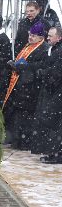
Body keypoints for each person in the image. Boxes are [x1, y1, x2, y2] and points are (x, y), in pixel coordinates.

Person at [3, 22, 49, 150]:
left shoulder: (43, 48)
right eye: (29, 34)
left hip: (31, 88)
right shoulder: (28, 45)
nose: (30, 37)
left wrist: (24, 67)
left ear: (41, 37)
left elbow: (39, 66)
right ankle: (16, 140)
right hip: (20, 86)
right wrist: (15, 65)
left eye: (33, 36)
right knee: (18, 116)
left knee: (26, 117)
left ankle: (25, 142)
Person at [35, 26, 62, 161]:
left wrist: (44, 73)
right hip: (53, 90)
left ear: (59, 37)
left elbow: (56, 71)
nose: (48, 38)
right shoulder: (52, 50)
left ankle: (56, 153)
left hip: (57, 91)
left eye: (51, 36)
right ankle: (53, 152)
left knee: (55, 122)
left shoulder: (59, 51)